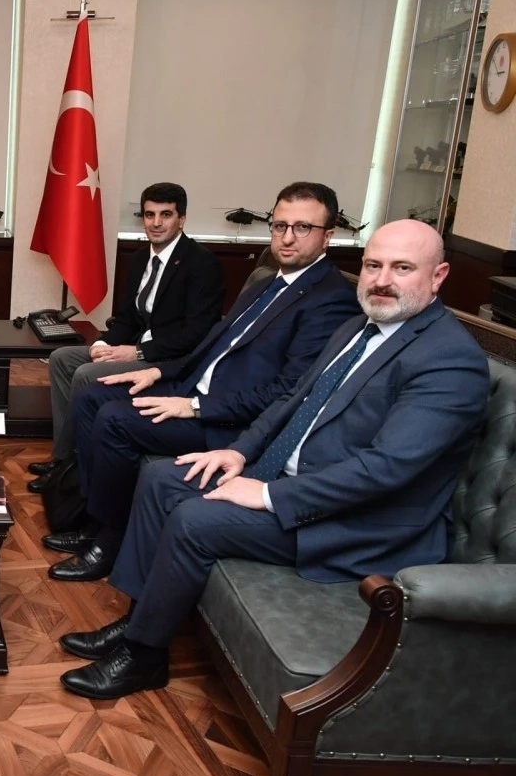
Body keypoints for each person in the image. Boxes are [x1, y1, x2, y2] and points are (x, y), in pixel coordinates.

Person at [58, 219, 490, 700]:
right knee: (163, 477)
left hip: (358, 520)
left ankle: (142, 658)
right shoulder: (358, 327)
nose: (382, 280)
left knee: (194, 520)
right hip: (288, 476)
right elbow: (292, 401)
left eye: (402, 268)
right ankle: (138, 621)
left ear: (438, 276)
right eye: (373, 266)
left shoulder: (449, 360)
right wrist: (237, 451)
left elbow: (385, 470)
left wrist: (267, 494)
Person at [46, 182, 361, 582]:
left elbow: (288, 392)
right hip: (193, 388)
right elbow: (211, 347)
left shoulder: (330, 299)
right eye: (280, 225)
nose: (286, 237)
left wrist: (194, 406)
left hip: (227, 420)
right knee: (94, 396)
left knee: (114, 420)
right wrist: (158, 371)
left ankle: (110, 540)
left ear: (327, 236)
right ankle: (92, 518)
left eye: (302, 228)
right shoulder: (267, 282)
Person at [28, 182, 224, 493]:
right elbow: (126, 318)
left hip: (168, 359)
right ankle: (69, 454)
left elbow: (197, 334)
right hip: (137, 347)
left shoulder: (201, 263)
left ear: (182, 219)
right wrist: (102, 345)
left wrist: (138, 353)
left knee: (86, 374)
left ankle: (68, 463)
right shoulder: (140, 257)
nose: (156, 223)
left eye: (165, 215)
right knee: (62, 358)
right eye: (149, 215)